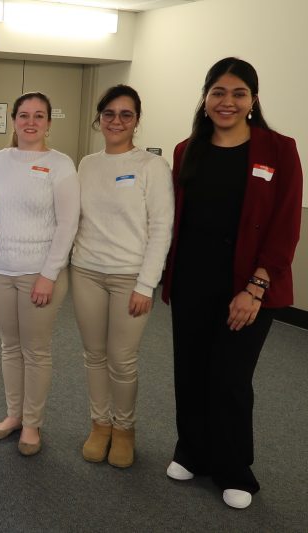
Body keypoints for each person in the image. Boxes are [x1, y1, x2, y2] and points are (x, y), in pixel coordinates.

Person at [161, 57, 302, 509]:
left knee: (230, 378)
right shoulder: (187, 150)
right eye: (218, 92)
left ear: (253, 101)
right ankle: (192, 450)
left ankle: (234, 466)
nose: (227, 102)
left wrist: (256, 287)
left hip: (248, 290)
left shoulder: (279, 150)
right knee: (191, 370)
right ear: (205, 100)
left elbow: (284, 228)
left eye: (238, 93)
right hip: (191, 283)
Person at [70, 85, 174, 468]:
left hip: (131, 277)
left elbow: (162, 227)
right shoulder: (87, 163)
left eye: (125, 115)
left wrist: (147, 283)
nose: (116, 121)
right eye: (109, 114)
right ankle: (100, 425)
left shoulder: (151, 166)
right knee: (94, 355)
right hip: (86, 271)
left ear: (136, 121)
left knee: (122, 359)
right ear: (99, 119)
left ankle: (125, 429)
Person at [0, 92, 79, 456]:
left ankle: (33, 424)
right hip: (0, 270)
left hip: (40, 273)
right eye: (23, 115)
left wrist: (49, 274)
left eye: (39, 116)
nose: (30, 122)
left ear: (49, 123)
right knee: (9, 347)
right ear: (13, 120)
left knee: (35, 350)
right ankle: (13, 416)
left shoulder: (60, 164)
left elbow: (68, 223)